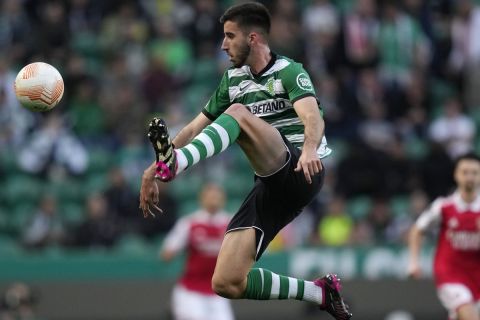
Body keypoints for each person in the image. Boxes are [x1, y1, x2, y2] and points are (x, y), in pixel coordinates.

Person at [140, 3, 351, 319]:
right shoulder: (233, 79)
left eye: (229, 36)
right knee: (226, 282)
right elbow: (195, 126)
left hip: (302, 169)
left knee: (238, 113)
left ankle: (178, 164)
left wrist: (308, 149)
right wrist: (152, 170)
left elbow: (312, 118)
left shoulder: (290, 71)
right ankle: (320, 292)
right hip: (269, 182)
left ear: (253, 38)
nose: (223, 44)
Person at [408, 153, 480, 320]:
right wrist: (413, 262)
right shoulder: (443, 206)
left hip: (476, 274)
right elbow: (417, 230)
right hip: (450, 272)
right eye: (465, 172)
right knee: (469, 314)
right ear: (456, 174)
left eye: (474, 172)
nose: (469, 177)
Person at [161, 184, 234, 320]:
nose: (214, 200)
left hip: (218, 293)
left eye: (217, 196)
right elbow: (167, 253)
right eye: (210, 196)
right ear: (202, 199)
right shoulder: (190, 223)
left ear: (223, 199)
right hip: (191, 290)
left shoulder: (231, 224)